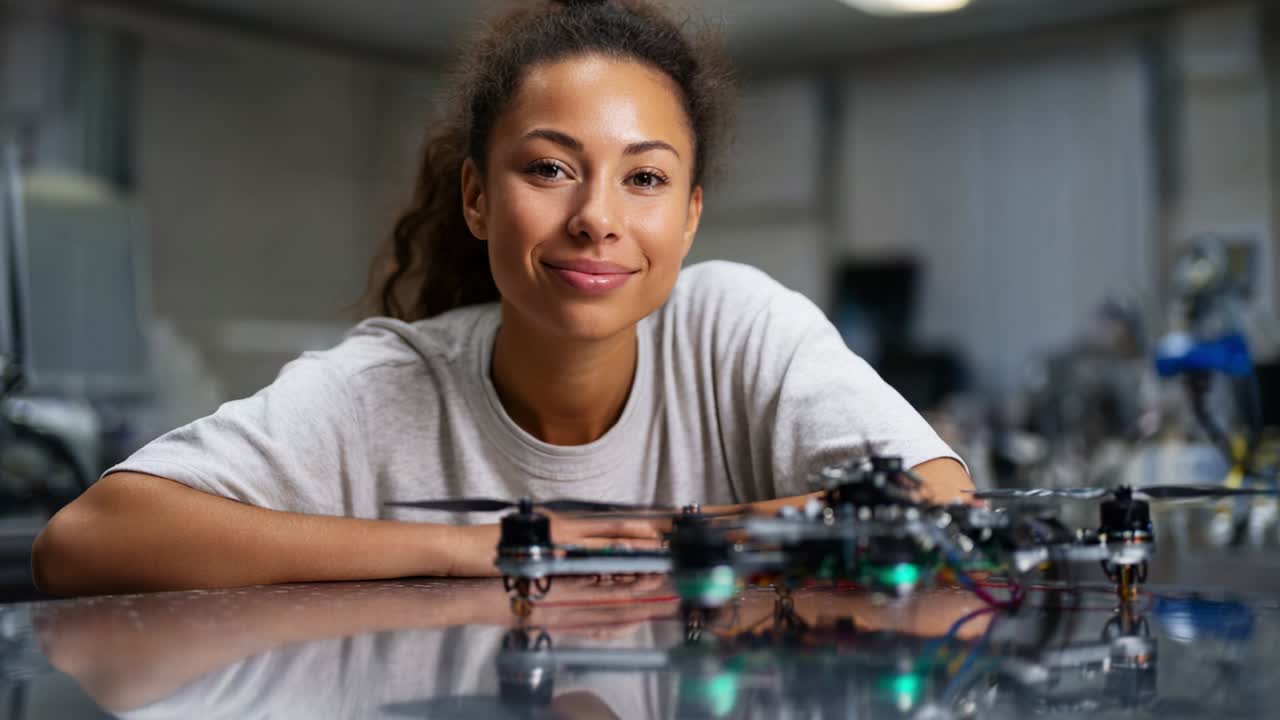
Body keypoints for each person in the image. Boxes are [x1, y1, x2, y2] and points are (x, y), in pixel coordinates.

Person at [32, 0, 971, 596]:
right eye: (551, 168)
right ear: (478, 198)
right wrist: (491, 546)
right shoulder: (388, 382)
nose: (596, 218)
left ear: (689, 219)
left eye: (643, 180)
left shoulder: (738, 326)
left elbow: (937, 499)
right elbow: (88, 541)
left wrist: (648, 537)